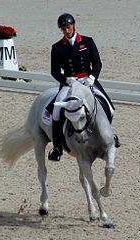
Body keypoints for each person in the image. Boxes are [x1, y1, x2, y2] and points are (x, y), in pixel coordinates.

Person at [48, 13, 120, 161]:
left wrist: (92, 77)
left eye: (68, 27)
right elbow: (54, 71)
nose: (67, 31)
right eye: (63, 29)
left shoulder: (87, 42)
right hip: (70, 83)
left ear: (74, 25)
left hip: (87, 79)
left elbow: (97, 63)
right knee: (55, 112)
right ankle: (57, 148)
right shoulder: (57, 47)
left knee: (110, 108)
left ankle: (109, 135)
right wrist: (67, 79)